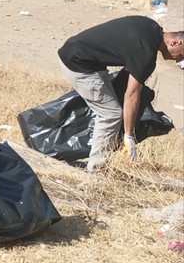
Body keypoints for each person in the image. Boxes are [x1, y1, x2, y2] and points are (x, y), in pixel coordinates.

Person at [58, 16, 184, 172]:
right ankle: (96, 169)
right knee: (111, 114)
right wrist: (129, 137)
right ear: (176, 43)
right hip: (78, 64)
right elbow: (131, 95)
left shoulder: (150, 26)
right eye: (182, 55)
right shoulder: (146, 53)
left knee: (110, 105)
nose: (179, 61)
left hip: (77, 51)